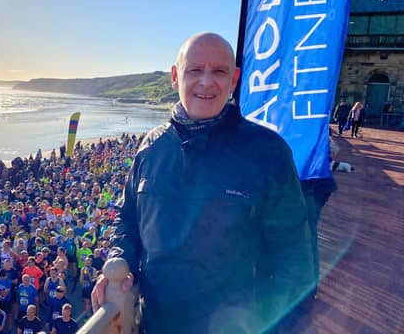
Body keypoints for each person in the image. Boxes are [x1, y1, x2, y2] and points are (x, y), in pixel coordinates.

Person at [93, 33, 314, 333]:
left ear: (234, 79)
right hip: (154, 324)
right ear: (175, 76)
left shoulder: (268, 152)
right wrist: (120, 259)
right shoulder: (151, 148)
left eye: (219, 71)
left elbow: (294, 261)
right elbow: (128, 219)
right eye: (195, 70)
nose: (206, 82)